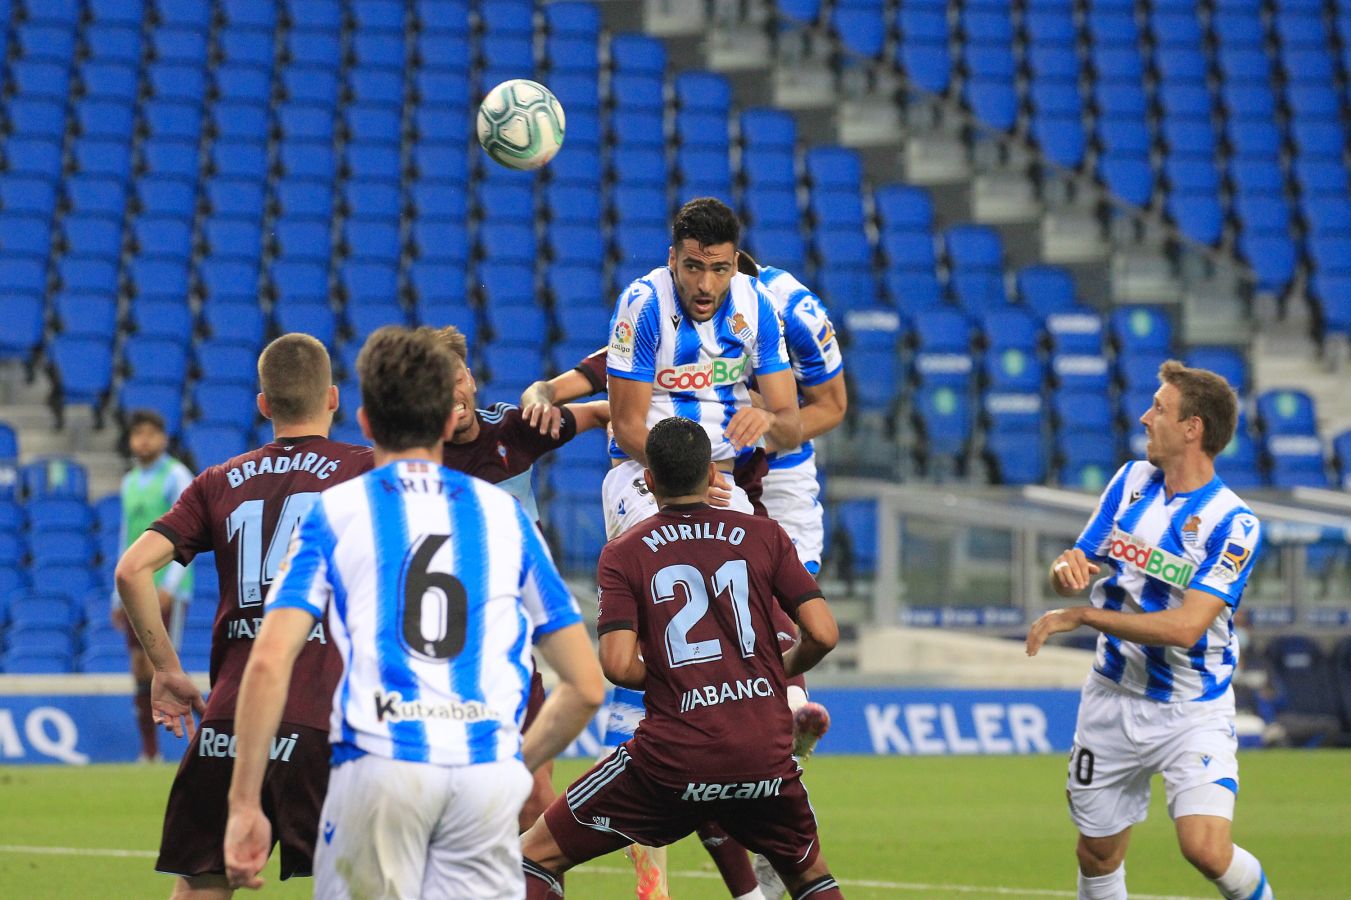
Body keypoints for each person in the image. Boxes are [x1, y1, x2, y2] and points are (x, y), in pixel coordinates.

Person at [223, 326, 605, 898]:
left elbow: (269, 661)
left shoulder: (336, 513)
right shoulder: (505, 517)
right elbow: (587, 686)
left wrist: (245, 803)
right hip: (481, 775)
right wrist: (513, 766)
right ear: (445, 415)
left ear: (366, 423)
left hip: (378, 771)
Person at [521, 417, 844, 899]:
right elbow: (823, 633)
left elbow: (616, 663)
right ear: (714, 475)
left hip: (670, 758)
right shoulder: (765, 534)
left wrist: (677, 677)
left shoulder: (624, 552)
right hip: (762, 750)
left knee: (534, 855)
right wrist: (774, 670)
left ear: (648, 481)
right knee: (810, 876)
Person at [114, 334, 374, 897]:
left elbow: (132, 571)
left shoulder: (216, 480)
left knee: (202, 882)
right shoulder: (368, 471)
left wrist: (166, 669)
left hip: (229, 720)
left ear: (263, 405)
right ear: (332, 398)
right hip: (326, 720)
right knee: (363, 884)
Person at [1026, 360, 1273, 900]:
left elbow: (1187, 627)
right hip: (1111, 700)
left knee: (1205, 848)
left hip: (1191, 707)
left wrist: (1084, 615)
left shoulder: (1235, 524)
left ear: (1193, 428)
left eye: (1159, 408)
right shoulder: (1131, 482)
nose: (1144, 418)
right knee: (1096, 855)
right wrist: (1067, 576)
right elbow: (1079, 564)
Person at [430, 323, 610, 833]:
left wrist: (642, 451)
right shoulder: (413, 459)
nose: (453, 392)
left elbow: (601, 412)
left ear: (471, 380)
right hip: (440, 659)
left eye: (457, 376)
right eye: (437, 383)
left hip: (510, 652)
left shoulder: (512, 431)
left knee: (533, 802)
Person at [111, 409, 195, 763]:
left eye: (150, 434)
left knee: (162, 664)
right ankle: (151, 752)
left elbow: (192, 529)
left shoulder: (176, 476)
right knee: (138, 667)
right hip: (135, 588)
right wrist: (118, 594)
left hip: (164, 585)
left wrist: (172, 585)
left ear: (163, 438)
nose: (143, 441)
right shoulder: (129, 482)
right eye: (137, 434)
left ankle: (203, 740)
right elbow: (125, 538)